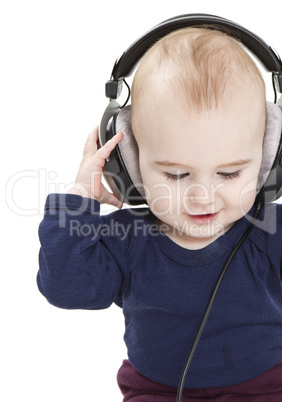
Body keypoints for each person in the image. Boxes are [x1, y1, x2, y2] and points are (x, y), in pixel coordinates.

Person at [37, 27, 282, 400]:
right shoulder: (125, 239)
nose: (203, 197)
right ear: (130, 166)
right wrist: (80, 197)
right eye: (177, 175)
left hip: (268, 386)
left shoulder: (271, 232)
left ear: (269, 161)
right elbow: (65, 288)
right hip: (157, 392)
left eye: (229, 173)